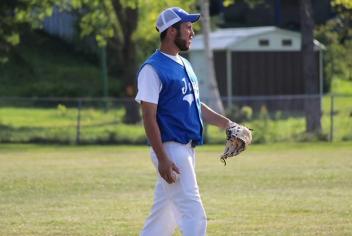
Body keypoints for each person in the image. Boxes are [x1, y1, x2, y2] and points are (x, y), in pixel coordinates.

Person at [135, 7, 235, 236]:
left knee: (164, 217)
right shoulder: (152, 68)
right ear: (171, 31)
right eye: (187, 27)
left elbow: (196, 106)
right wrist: (162, 158)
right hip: (170, 147)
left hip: (186, 148)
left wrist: (227, 124)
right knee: (193, 211)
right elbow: (148, 117)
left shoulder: (184, 64)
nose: (192, 32)